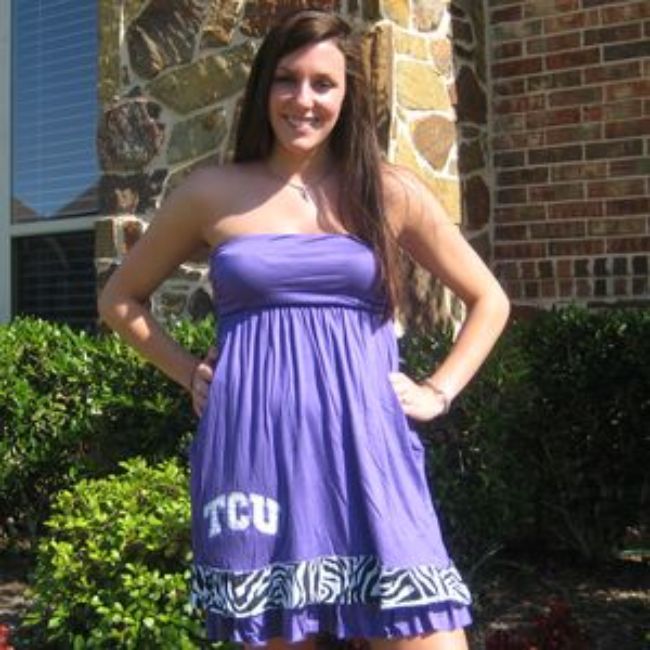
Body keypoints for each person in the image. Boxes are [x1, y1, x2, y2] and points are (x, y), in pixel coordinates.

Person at [98, 9, 510, 650]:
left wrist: (438, 390)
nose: (303, 99)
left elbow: (489, 299)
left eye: (324, 83)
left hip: (368, 451)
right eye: (287, 79)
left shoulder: (387, 192)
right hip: (253, 450)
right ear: (264, 87)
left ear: (348, 96)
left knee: (430, 635)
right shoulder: (212, 193)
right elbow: (121, 299)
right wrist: (189, 374)